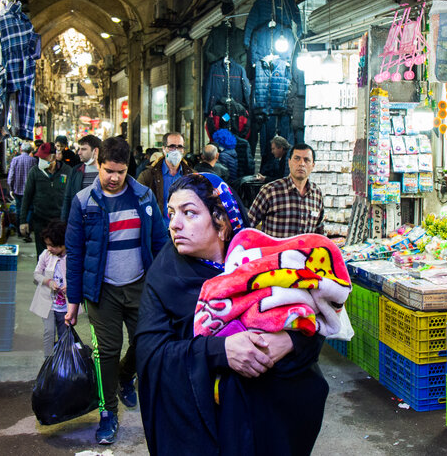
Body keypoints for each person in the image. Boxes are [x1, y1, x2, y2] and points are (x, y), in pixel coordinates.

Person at [136, 173, 328, 455]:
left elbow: (311, 322)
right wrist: (220, 350)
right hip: (207, 434)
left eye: (189, 213)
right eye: (172, 213)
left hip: (268, 423)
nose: (175, 224)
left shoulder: (262, 264)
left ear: (222, 222)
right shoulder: (164, 276)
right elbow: (151, 354)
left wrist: (290, 343)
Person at [65, 135, 168, 445]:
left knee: (146, 342)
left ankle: (126, 375)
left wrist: (165, 286)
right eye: (108, 170)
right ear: (98, 164)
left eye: (120, 172)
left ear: (127, 169)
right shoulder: (83, 201)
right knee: (106, 353)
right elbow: (75, 252)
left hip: (140, 286)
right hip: (102, 291)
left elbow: (160, 243)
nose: (113, 178)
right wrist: (73, 301)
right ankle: (107, 413)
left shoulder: (145, 197)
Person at [247, 143, 324, 238]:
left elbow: (319, 232)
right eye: (297, 158)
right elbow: (247, 225)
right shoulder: (270, 191)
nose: (301, 164)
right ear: (289, 162)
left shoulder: (316, 193)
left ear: (313, 166)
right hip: (276, 252)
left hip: (304, 252)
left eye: (306, 160)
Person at [21, 142, 73, 256]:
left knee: (59, 254)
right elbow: (27, 197)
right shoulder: (34, 172)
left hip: (60, 221)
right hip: (40, 220)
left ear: (53, 157)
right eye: (40, 157)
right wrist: (23, 221)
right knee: (42, 255)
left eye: (44, 157)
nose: (41, 160)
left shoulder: (67, 171)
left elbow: (72, 196)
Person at [29, 221, 69, 360]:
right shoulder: (46, 255)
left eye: (52, 245)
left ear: (62, 244)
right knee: (49, 331)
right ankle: (49, 361)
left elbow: (79, 275)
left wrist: (69, 286)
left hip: (65, 305)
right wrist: (49, 281)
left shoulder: (72, 257)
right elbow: (37, 274)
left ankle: (63, 361)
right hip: (48, 303)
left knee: (65, 333)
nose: (48, 248)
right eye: (47, 244)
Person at [138, 132, 194, 215]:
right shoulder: (148, 176)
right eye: (172, 146)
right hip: (159, 226)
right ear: (163, 149)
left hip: (184, 226)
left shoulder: (192, 176)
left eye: (180, 147)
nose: (176, 150)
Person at [62, 134, 102, 220]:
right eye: (80, 149)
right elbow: (68, 197)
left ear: (95, 151)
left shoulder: (106, 171)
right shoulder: (76, 171)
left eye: (83, 149)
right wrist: (64, 221)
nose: (79, 152)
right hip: (79, 220)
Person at [8, 142, 38, 241]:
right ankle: (27, 231)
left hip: (18, 190)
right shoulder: (33, 160)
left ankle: (20, 231)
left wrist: (11, 188)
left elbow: (11, 176)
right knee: (29, 210)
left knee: (19, 210)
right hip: (30, 191)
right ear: (30, 151)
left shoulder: (15, 160)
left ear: (21, 149)